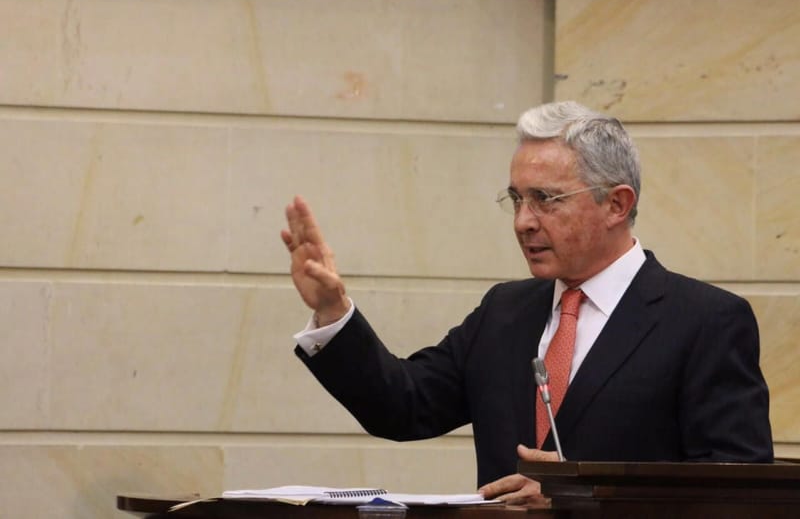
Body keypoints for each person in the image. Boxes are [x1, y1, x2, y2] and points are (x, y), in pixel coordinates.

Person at [280, 101, 773, 503]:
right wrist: (333, 313)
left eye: (546, 200)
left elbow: (737, 491)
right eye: (517, 199)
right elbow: (403, 406)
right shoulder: (505, 311)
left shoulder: (705, 320)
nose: (523, 222)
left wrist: (585, 496)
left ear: (616, 204)